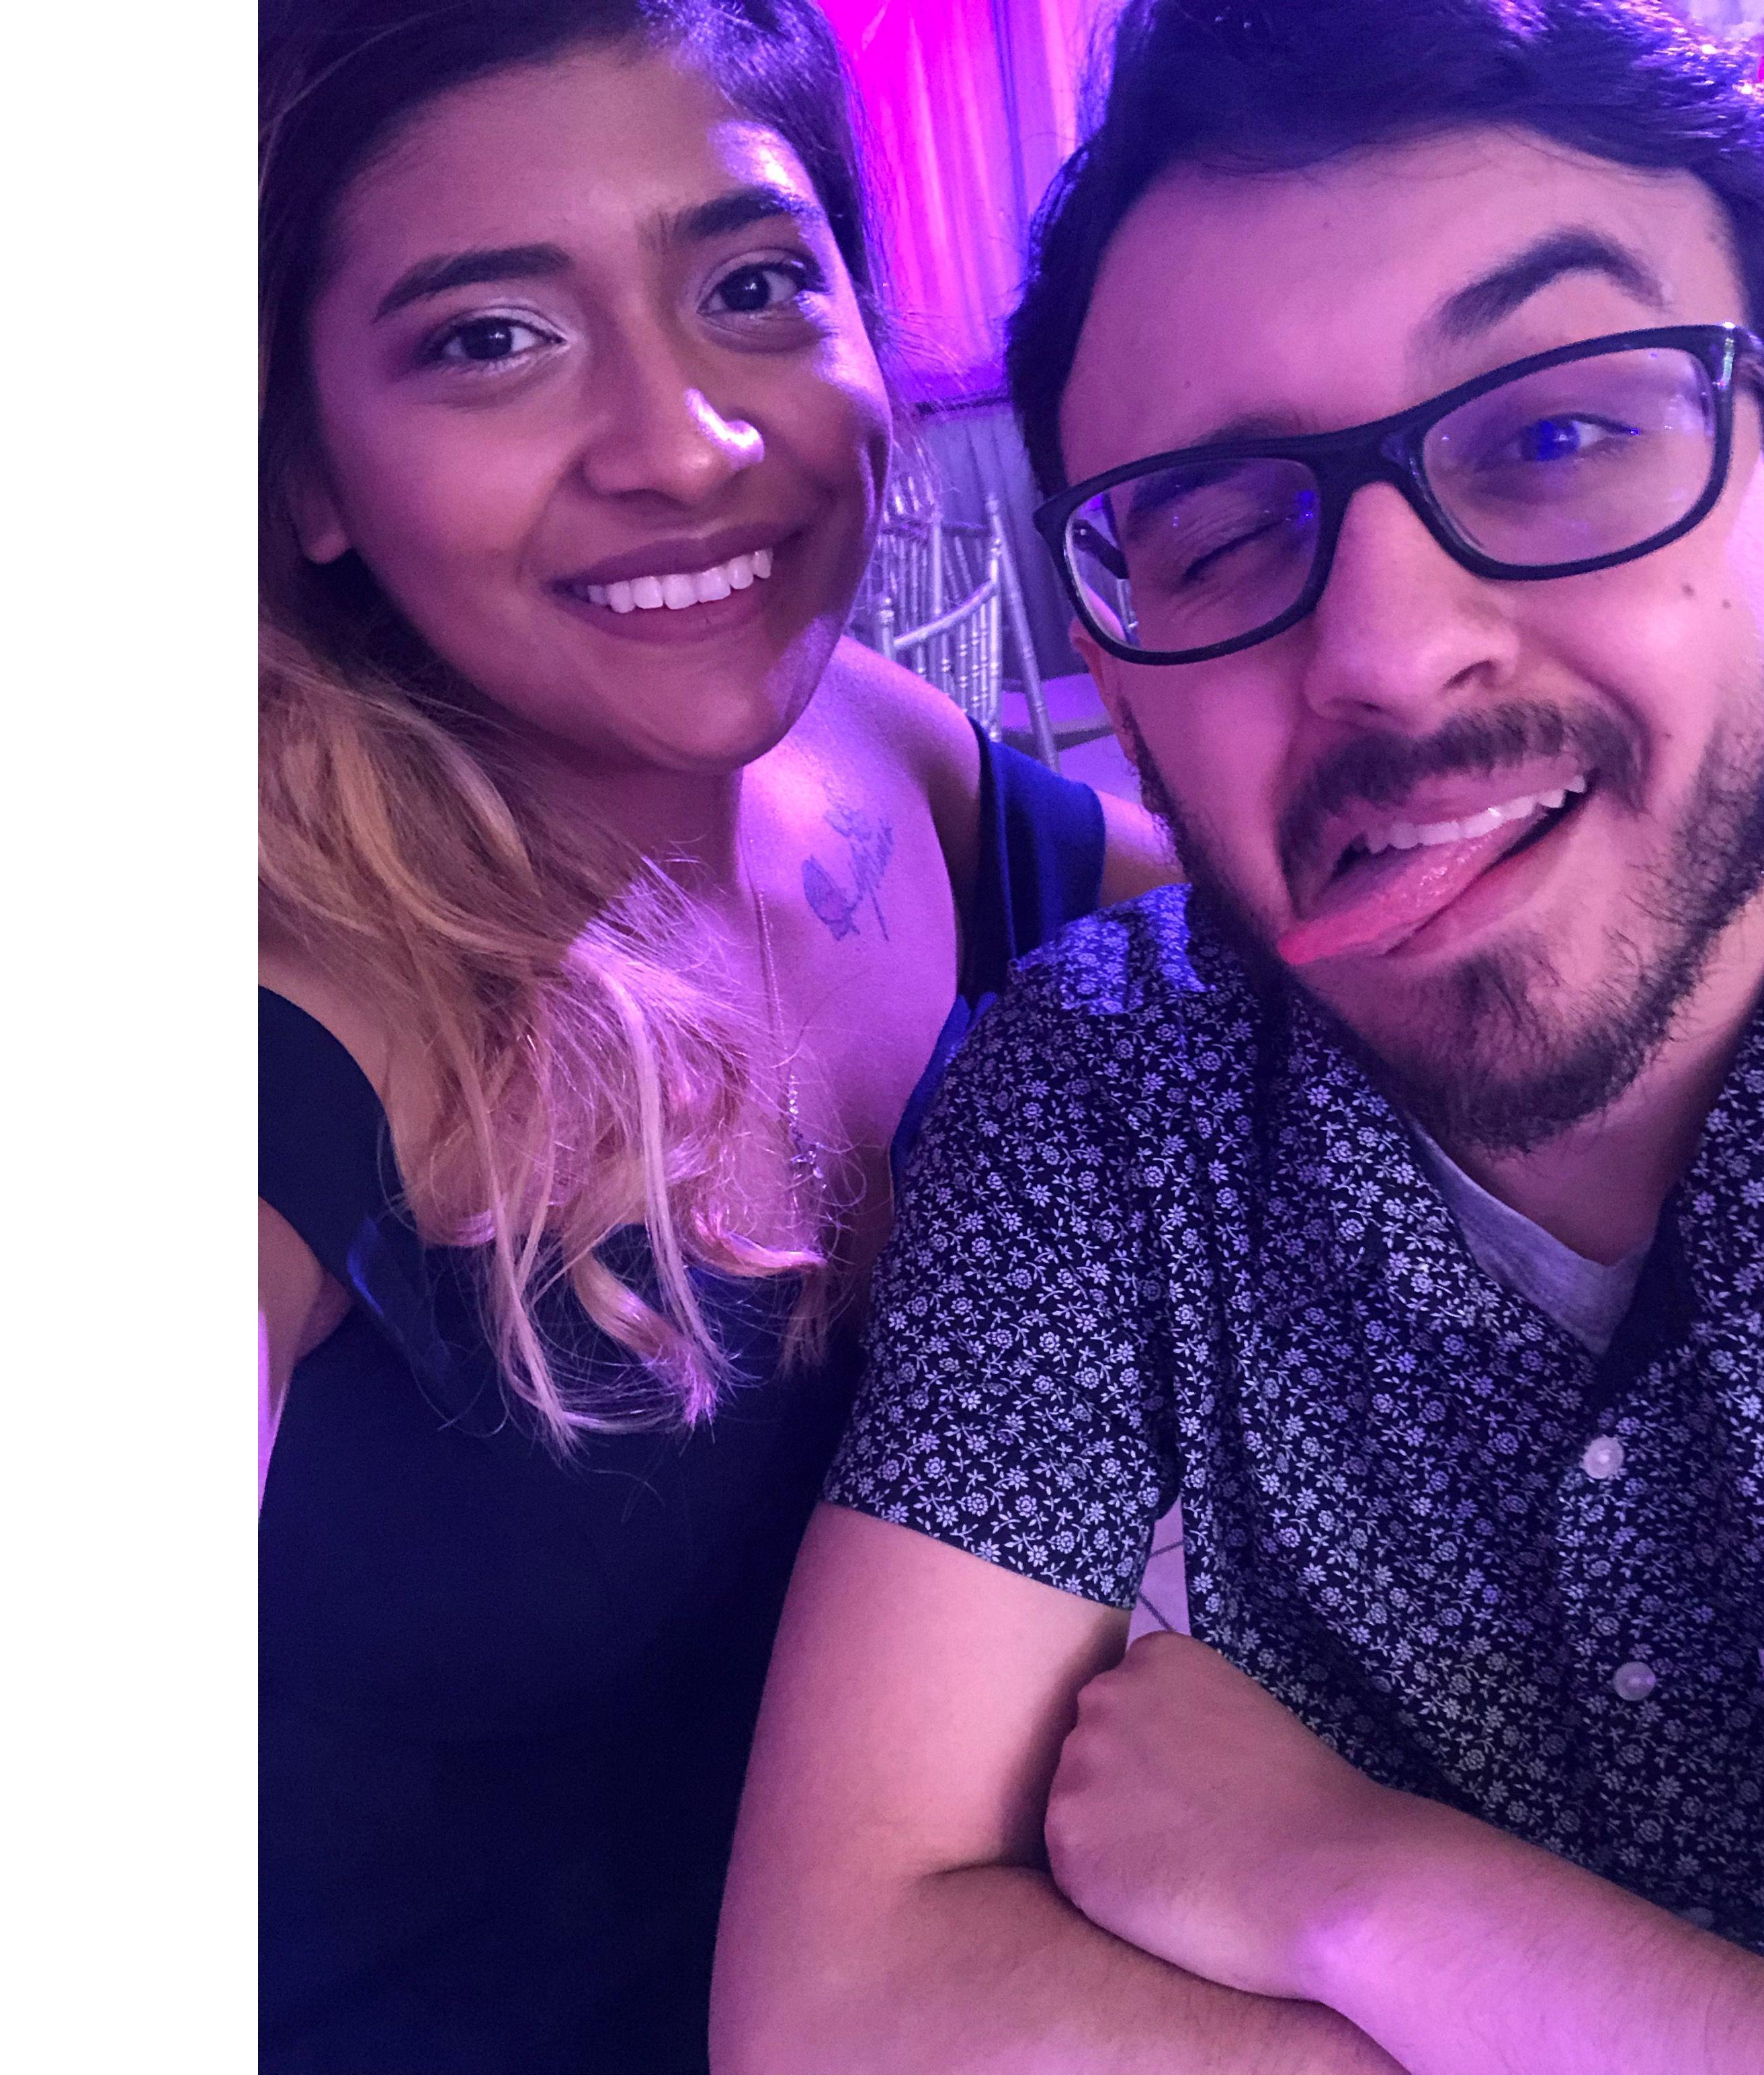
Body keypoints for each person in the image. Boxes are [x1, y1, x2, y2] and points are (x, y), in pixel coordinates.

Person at [713, 2, 1764, 2070]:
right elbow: (837, 2004)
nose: (1390, 654)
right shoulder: (1104, 1105)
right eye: (1223, 532)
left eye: (1555, 438)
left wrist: (1374, 1892)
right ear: (1121, 689)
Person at [255, 1, 1172, 2066]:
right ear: (308, 470)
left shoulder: (878, 752)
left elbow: (1289, 948)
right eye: (492, 337)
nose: (682, 444)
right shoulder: (276, 1008)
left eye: (753, 286)